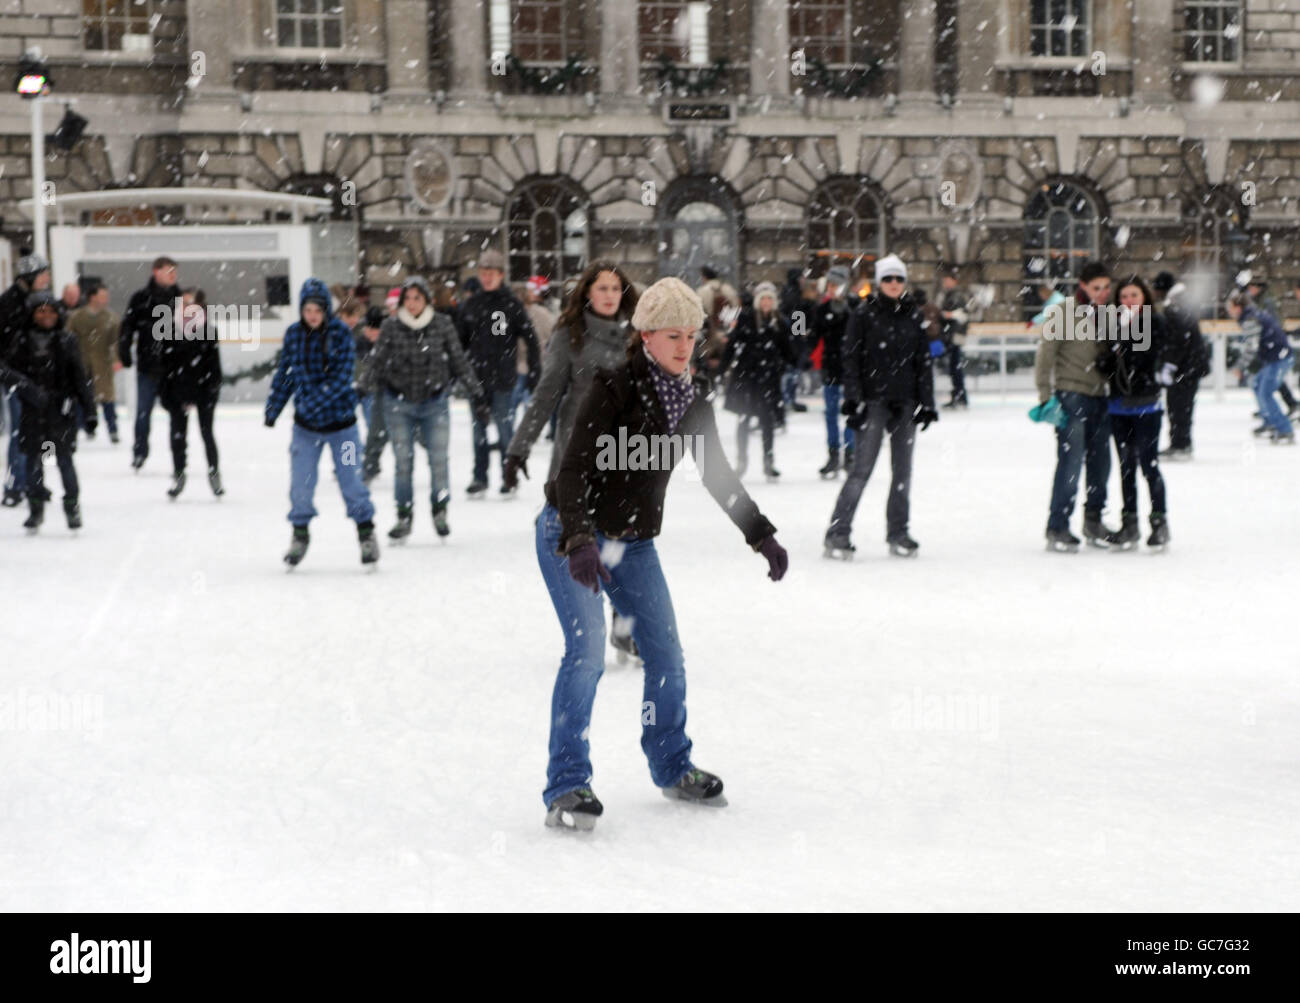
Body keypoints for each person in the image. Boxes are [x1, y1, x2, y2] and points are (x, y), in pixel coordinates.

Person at [539, 276, 788, 830]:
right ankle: (567, 783)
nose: (683, 345)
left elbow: (719, 476)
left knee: (666, 655)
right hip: (569, 531)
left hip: (632, 543)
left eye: (691, 335)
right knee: (585, 655)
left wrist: (760, 534)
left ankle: (672, 764)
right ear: (645, 336)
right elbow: (574, 470)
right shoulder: (611, 388)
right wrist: (578, 538)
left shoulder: (692, 403)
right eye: (672, 335)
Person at [503, 261, 641, 664]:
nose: (610, 295)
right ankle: (587, 621)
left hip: (625, 454)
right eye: (602, 288)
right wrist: (519, 447)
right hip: (578, 453)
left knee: (623, 540)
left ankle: (621, 623)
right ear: (587, 293)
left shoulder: (635, 335)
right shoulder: (570, 336)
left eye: (616, 288)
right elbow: (546, 395)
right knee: (578, 535)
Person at [823, 254, 936, 559]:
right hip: (873, 401)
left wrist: (927, 403)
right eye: (888, 279)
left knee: (903, 473)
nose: (894, 284)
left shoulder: (913, 314)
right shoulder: (864, 314)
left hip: (905, 401)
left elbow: (923, 361)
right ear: (878, 282)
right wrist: (854, 398)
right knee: (861, 470)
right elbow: (851, 357)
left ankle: (899, 532)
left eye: (899, 278)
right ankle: (838, 532)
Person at [264, 278, 379, 568]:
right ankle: (299, 534)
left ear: (326, 309)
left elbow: (341, 379)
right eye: (307, 309)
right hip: (305, 430)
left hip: (344, 428)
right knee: (300, 485)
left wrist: (311, 402)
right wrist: (274, 407)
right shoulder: (293, 335)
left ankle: (366, 532)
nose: (312, 314)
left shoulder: (341, 333)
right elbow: (286, 375)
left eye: (317, 309)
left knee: (351, 480)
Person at [371, 275, 487, 541]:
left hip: (434, 402)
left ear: (427, 301)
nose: (411, 304)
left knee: (438, 460)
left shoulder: (442, 324)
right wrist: (361, 388)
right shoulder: (391, 326)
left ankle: (439, 509)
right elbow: (377, 361)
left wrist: (477, 393)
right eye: (407, 299)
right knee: (403, 463)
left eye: (417, 298)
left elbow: (458, 360)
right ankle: (404, 514)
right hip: (398, 402)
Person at [1035, 261, 1121, 551]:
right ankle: (1058, 525)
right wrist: (1045, 396)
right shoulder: (1062, 312)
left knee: (1101, 463)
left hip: (1101, 397)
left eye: (1107, 288)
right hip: (1071, 395)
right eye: (1097, 287)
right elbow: (1045, 355)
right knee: (1071, 463)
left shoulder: (1109, 315)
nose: (1103, 293)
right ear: (1083, 285)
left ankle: (1093, 519)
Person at [0, 291, 94, 533]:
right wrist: (26, 387)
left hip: (60, 411)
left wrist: (89, 410)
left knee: (64, 461)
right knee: (34, 462)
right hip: (32, 411)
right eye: (41, 311)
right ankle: (36, 507)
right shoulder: (21, 341)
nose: (47, 316)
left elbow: (79, 377)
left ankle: (72, 506)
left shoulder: (66, 341)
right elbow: (6, 371)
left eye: (51, 311)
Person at [455, 249, 540, 496]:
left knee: (505, 430)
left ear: (501, 275)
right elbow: (459, 342)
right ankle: (479, 476)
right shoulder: (471, 305)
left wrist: (535, 371)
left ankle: (508, 474)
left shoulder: (511, 304)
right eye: (483, 273)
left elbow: (530, 338)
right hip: (476, 378)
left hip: (503, 378)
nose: (487, 277)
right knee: (478, 430)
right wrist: (458, 371)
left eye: (491, 273)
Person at [1097, 276, 1172, 550]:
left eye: (1134, 296)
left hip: (1146, 405)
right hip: (1118, 406)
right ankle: (1129, 523)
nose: (1129, 301)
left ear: (1144, 299)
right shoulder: (1113, 325)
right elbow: (1107, 363)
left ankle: (1159, 521)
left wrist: (1121, 347)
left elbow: (1144, 356)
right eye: (1124, 297)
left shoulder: (1154, 322)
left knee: (1148, 465)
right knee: (1126, 467)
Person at [722, 281, 795, 480]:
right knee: (744, 420)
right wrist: (722, 367)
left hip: (768, 378)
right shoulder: (746, 318)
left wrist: (793, 361)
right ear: (757, 301)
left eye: (770, 299)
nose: (766, 302)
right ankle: (741, 460)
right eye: (763, 298)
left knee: (767, 421)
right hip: (747, 377)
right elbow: (732, 344)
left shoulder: (779, 321)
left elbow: (787, 348)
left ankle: (768, 461)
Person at [158, 289, 224, 499]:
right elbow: (165, 366)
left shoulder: (208, 331)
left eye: (192, 304)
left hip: (204, 390)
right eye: (184, 304)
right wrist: (166, 394)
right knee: (178, 436)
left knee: (207, 433)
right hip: (177, 390)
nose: (188, 308)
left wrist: (211, 390)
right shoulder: (169, 330)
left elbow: (214, 366)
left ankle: (214, 473)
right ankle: (179, 474)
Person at [119, 256, 181, 471]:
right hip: (148, 365)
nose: (173, 275)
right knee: (143, 412)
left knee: (177, 413)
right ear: (157, 272)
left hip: (173, 366)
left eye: (175, 271)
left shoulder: (179, 298)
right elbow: (128, 326)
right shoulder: (141, 298)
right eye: (169, 271)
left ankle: (179, 454)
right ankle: (139, 452)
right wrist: (124, 349)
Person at [1, 252, 52, 506]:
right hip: (15, 377)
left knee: (41, 431)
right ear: (30, 277)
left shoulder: (42, 300)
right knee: (19, 432)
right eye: (43, 274)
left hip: (40, 375)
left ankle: (36, 481)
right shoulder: (9, 303)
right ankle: (14, 484)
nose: (47, 279)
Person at [1152, 271, 1208, 460]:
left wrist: (1170, 365)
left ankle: (1181, 444)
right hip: (1191, 365)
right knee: (1182, 405)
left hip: (1186, 367)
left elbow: (1178, 340)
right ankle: (1182, 442)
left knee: (1178, 405)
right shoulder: (1182, 302)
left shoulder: (1174, 307)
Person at [1229, 289, 1294, 444]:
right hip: (1274, 357)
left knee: (1265, 392)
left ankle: (1285, 430)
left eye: (1230, 307)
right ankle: (1270, 422)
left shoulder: (1250, 319)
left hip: (1279, 358)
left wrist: (1240, 366)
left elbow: (1251, 347)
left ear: (1238, 307)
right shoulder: (1252, 315)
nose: (1229, 311)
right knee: (1258, 385)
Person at [66, 281, 121, 444]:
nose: (105, 299)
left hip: (103, 363)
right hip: (81, 363)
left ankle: (113, 429)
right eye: (102, 296)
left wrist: (116, 359)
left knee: (107, 398)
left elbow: (116, 341)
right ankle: (81, 428)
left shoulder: (111, 318)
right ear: (92, 297)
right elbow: (68, 338)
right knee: (81, 397)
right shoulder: (77, 317)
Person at [813, 266, 855, 477]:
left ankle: (850, 453)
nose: (832, 289)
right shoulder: (822, 309)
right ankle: (833, 454)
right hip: (831, 367)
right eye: (829, 285)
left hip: (852, 368)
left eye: (836, 285)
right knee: (830, 413)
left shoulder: (855, 307)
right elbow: (810, 335)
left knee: (851, 410)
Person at [354, 305, 387, 483]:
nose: (372, 333)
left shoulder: (389, 342)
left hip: (380, 393)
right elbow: (362, 368)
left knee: (376, 430)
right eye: (369, 329)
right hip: (361, 391)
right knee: (365, 431)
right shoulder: (360, 343)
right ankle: (355, 465)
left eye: (376, 330)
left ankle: (370, 464)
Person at [515, 276, 555, 423]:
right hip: (533, 363)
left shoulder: (539, 313)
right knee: (530, 400)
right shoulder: (543, 312)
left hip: (528, 364)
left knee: (522, 401)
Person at [694, 265, 740, 388]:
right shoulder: (729, 290)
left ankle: (709, 386)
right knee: (725, 361)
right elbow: (737, 311)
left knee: (707, 362)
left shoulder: (702, 291)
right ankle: (724, 385)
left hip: (709, 334)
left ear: (704, 277)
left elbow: (698, 314)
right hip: (726, 333)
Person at [938, 269, 971, 408]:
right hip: (951, 336)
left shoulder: (956, 296)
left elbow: (962, 315)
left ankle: (960, 397)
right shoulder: (951, 295)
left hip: (953, 337)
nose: (946, 283)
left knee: (955, 368)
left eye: (948, 280)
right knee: (954, 368)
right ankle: (959, 396)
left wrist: (947, 315)